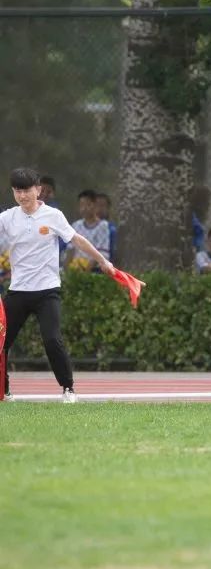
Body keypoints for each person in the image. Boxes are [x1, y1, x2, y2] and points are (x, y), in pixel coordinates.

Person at [1, 167, 115, 402]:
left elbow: (77, 240)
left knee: (52, 339)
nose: (23, 196)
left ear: (38, 190)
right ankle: (4, 390)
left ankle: (68, 389)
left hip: (46, 291)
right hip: (17, 291)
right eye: (17, 191)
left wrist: (103, 261)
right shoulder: (7, 217)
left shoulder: (53, 216)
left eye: (27, 190)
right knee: (1, 342)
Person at [68, 189, 111, 270]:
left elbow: (101, 253)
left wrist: (85, 272)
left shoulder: (102, 226)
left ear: (95, 206)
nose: (84, 208)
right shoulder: (76, 225)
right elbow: (70, 250)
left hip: (94, 269)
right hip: (76, 268)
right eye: (81, 205)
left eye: (88, 205)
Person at [95, 192, 118, 263]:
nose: (99, 209)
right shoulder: (82, 226)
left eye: (102, 206)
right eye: (97, 205)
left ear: (108, 208)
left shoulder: (111, 229)